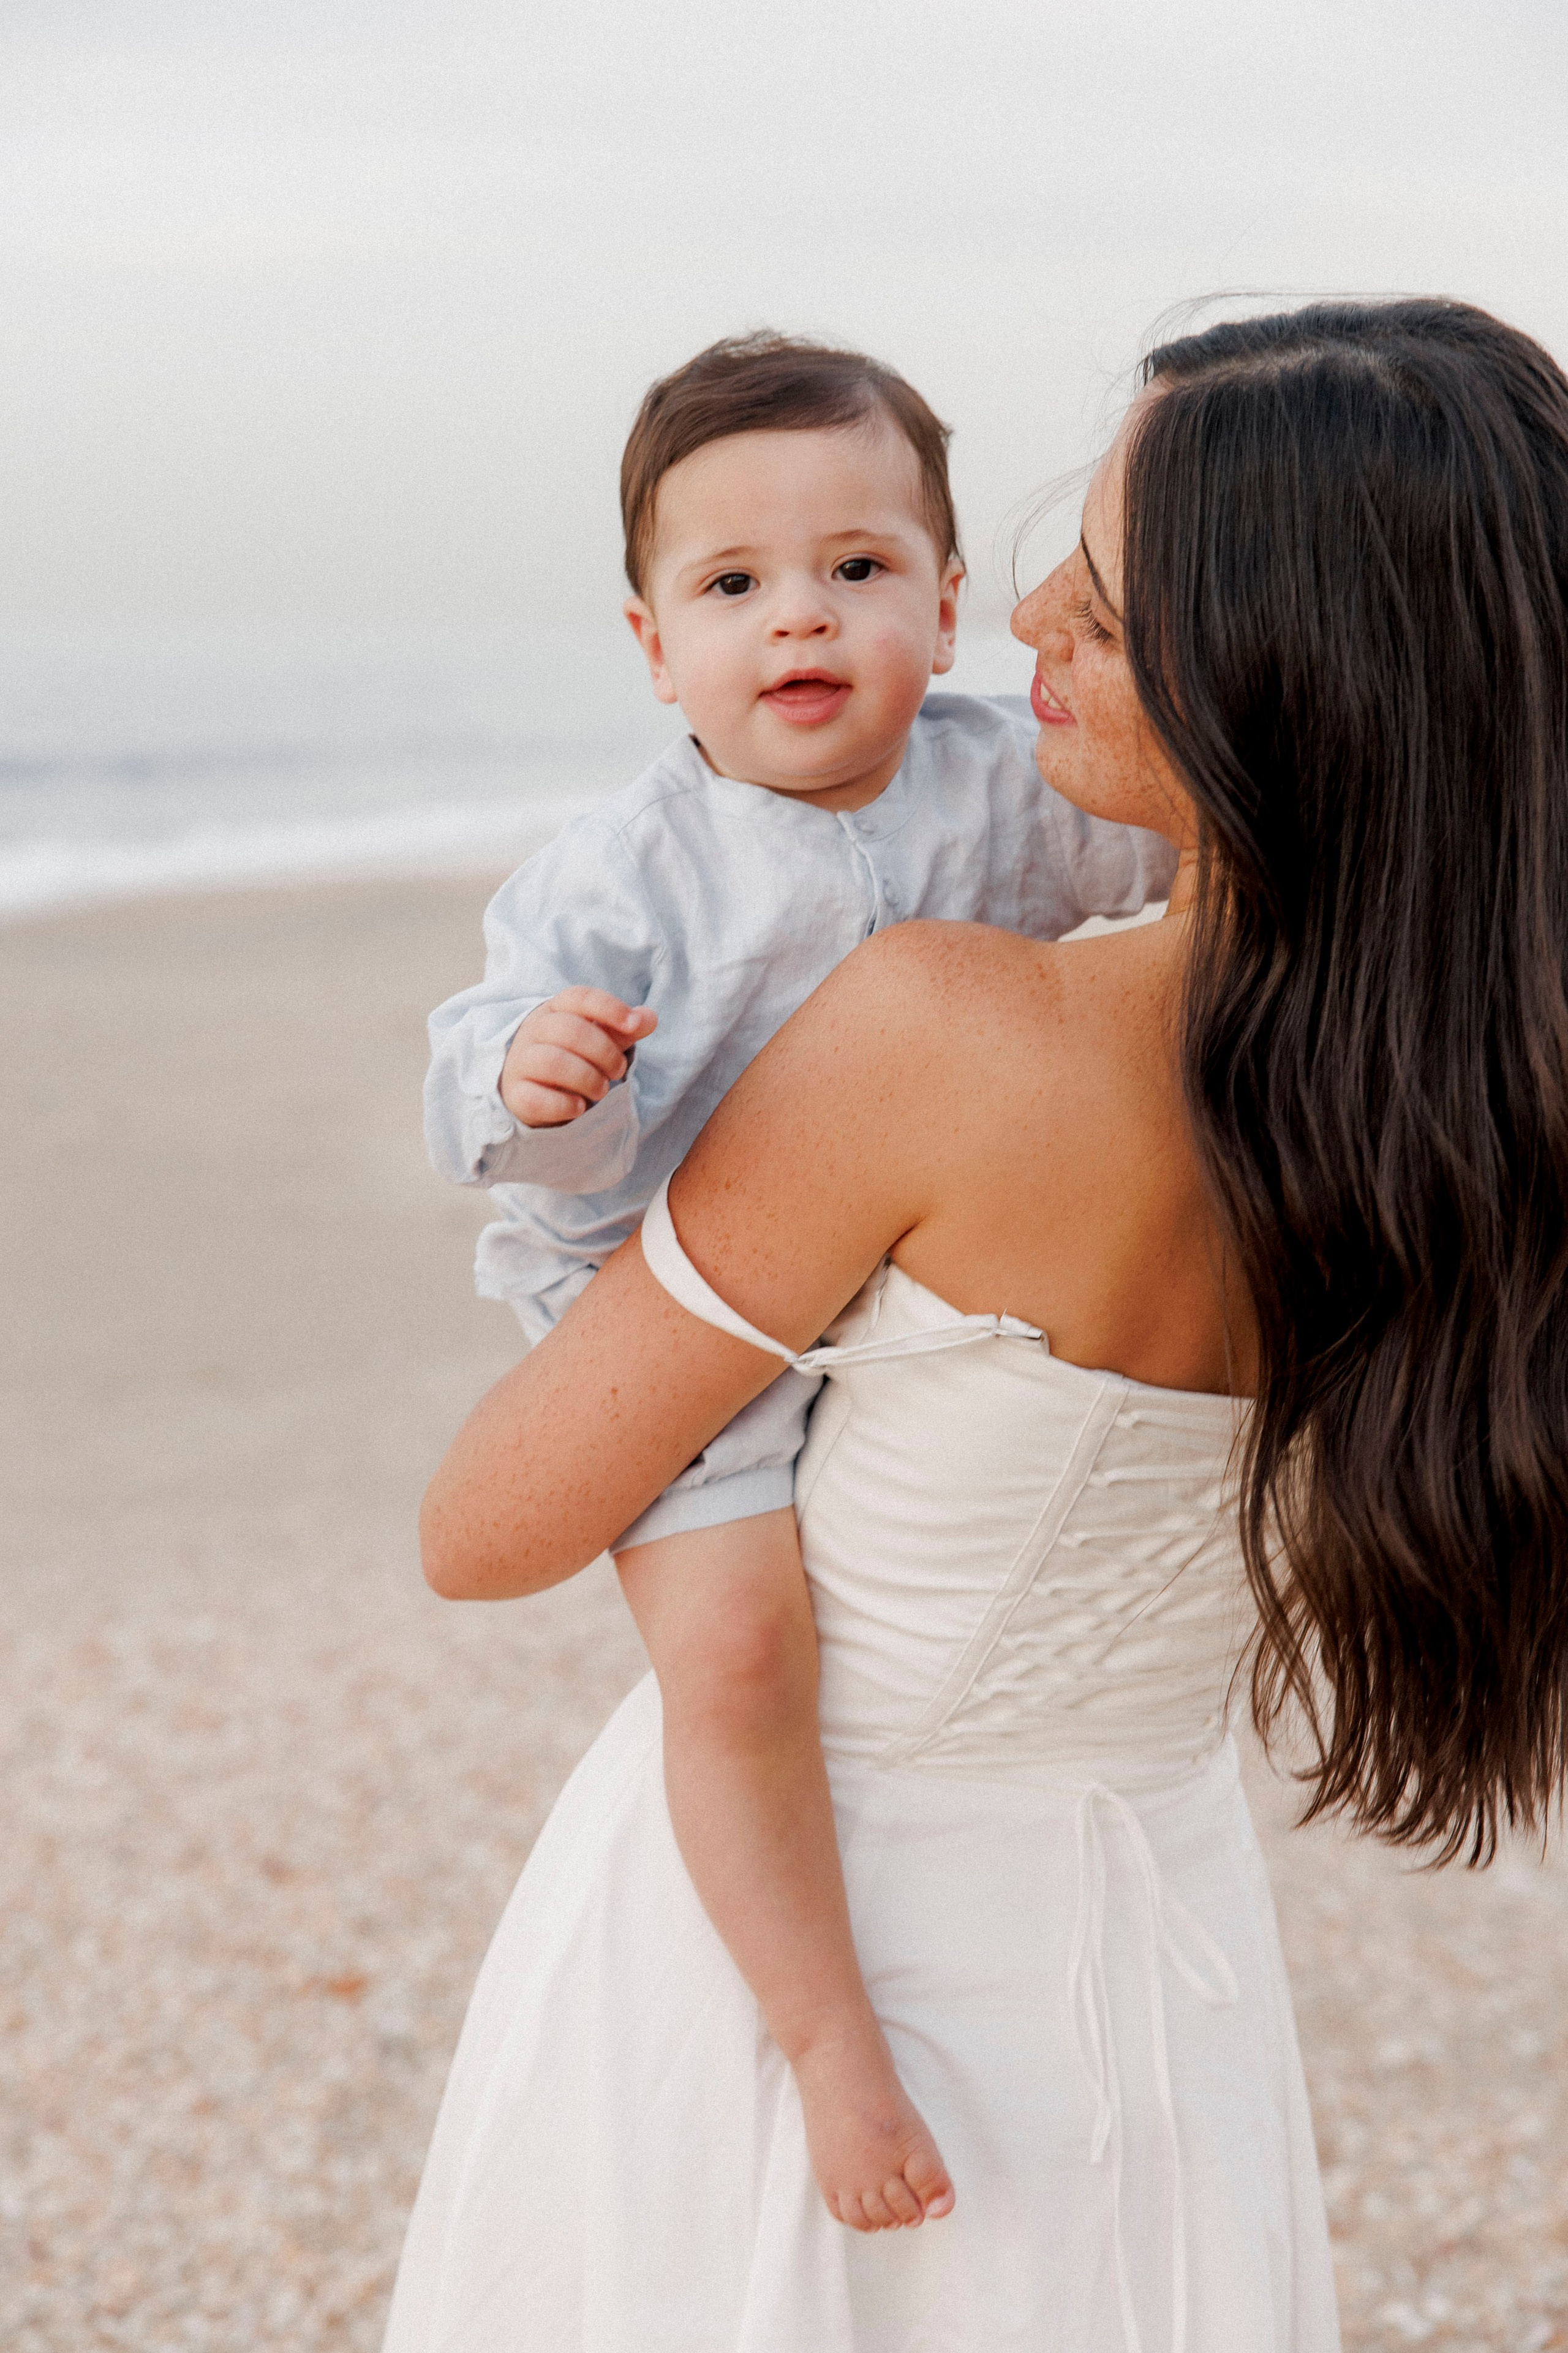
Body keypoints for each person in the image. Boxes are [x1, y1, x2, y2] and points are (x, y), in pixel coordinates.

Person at [385, 298, 1568, 2352]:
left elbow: (487, 1526)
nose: (1023, 605)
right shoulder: (1472, 1103)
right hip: (1165, 1931)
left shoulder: (952, 1029)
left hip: (806, 1948)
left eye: (1104, 597)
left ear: (1296, 677)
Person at [421, 333, 1175, 2224]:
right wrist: (532, 1078)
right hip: (679, 1304)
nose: (799, 620)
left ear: (943, 605)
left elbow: (1184, 875)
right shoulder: (624, 872)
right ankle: (831, 2037)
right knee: (744, 1654)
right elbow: (482, 1075)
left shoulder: (1016, 783)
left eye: (855, 570)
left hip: (911, 1289)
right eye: (732, 586)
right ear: (649, 641)